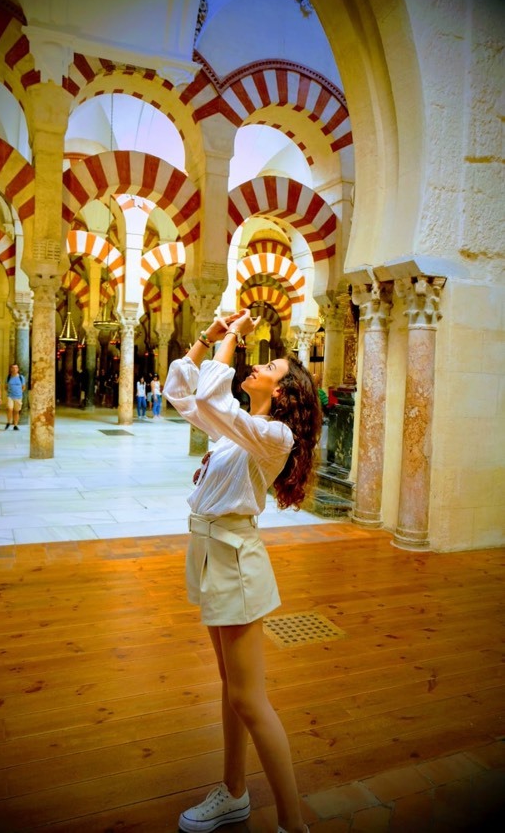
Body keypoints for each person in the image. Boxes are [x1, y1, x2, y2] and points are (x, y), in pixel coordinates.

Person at [163, 309, 321, 833]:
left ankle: (292, 824)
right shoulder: (240, 429)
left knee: (250, 698)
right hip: (212, 553)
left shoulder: (274, 438)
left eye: (271, 366)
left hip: (235, 561)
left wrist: (231, 338)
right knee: (231, 686)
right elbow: (181, 393)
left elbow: (208, 396)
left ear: (283, 392)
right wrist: (208, 336)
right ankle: (233, 792)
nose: (257, 365)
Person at [5, 363, 26, 430]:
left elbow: (23, 387)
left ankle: (15, 425)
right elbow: (5, 387)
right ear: (11, 369)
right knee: (9, 408)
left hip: (18, 397)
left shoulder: (21, 377)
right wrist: (9, 392)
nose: (14, 369)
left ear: (18, 369)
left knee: (16, 411)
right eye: (13, 368)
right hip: (10, 396)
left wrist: (20, 392)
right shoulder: (8, 377)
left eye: (16, 368)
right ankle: (8, 422)